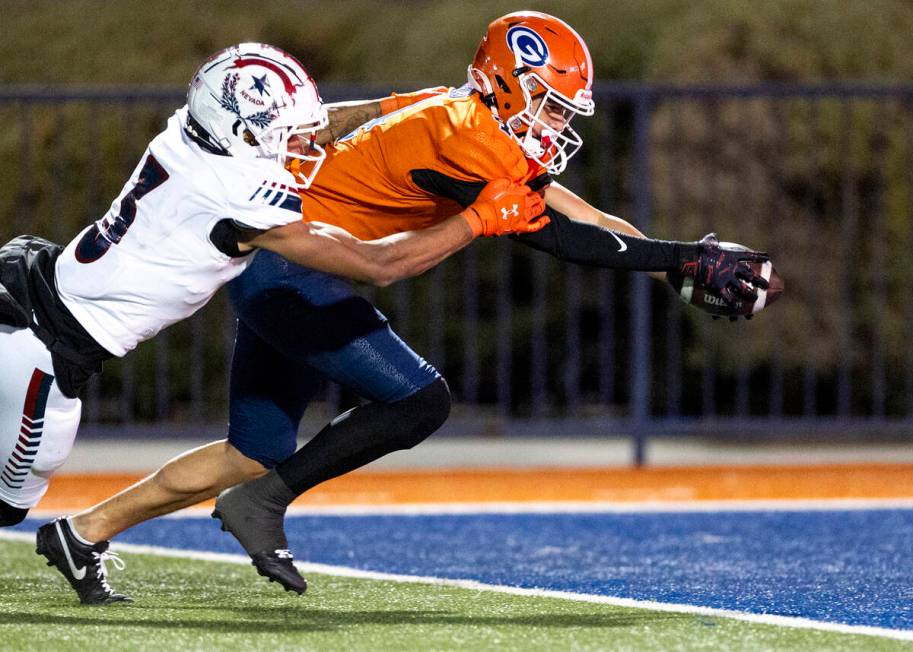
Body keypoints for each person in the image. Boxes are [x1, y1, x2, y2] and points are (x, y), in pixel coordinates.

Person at [40, 12, 769, 601]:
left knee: (250, 450)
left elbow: (566, 209)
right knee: (419, 402)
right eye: (546, 100)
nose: (553, 119)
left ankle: (83, 530)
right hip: (295, 275)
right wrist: (680, 259)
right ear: (506, 83)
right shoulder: (462, 140)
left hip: (280, 273)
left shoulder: (457, 110)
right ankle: (263, 503)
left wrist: (668, 260)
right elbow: (560, 241)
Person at [0, 42, 547, 603]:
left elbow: (319, 128)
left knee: (252, 452)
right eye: (285, 133)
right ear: (242, 132)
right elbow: (379, 264)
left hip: (42, 296)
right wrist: (478, 220)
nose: (304, 143)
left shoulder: (190, 133)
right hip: (43, 352)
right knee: (7, 503)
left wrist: (397, 106)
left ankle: (81, 537)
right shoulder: (242, 196)